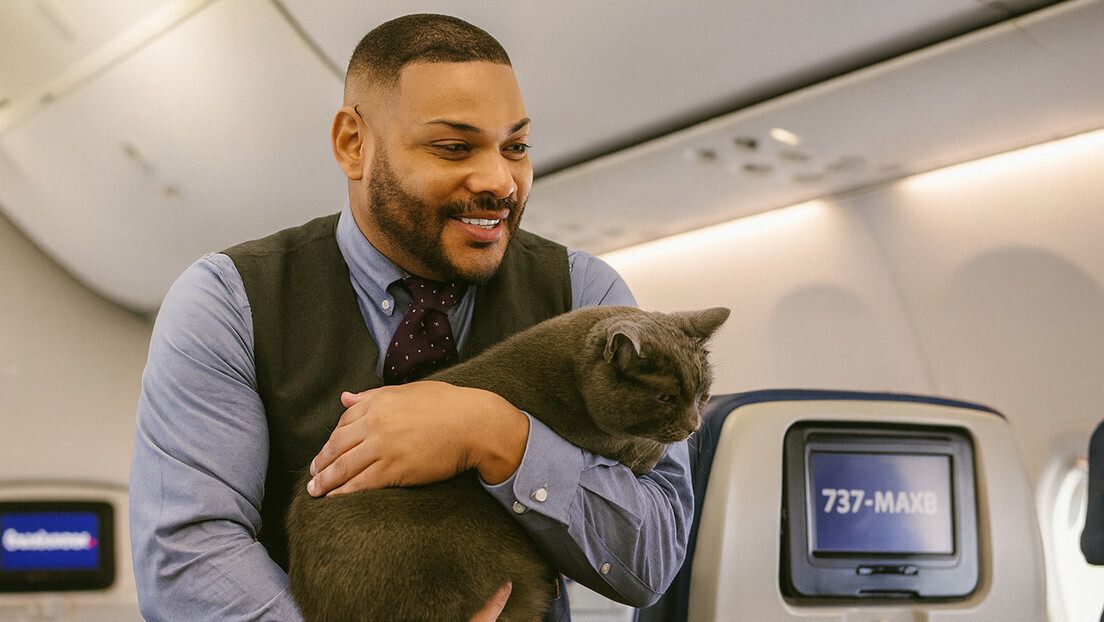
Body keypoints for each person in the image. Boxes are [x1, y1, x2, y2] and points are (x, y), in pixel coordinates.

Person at [129, 13, 692, 621]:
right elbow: (186, 558)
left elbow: (655, 558)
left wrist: (498, 436)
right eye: (454, 147)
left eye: (517, 148)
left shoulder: (589, 298)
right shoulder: (228, 302)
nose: (501, 181)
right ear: (354, 144)